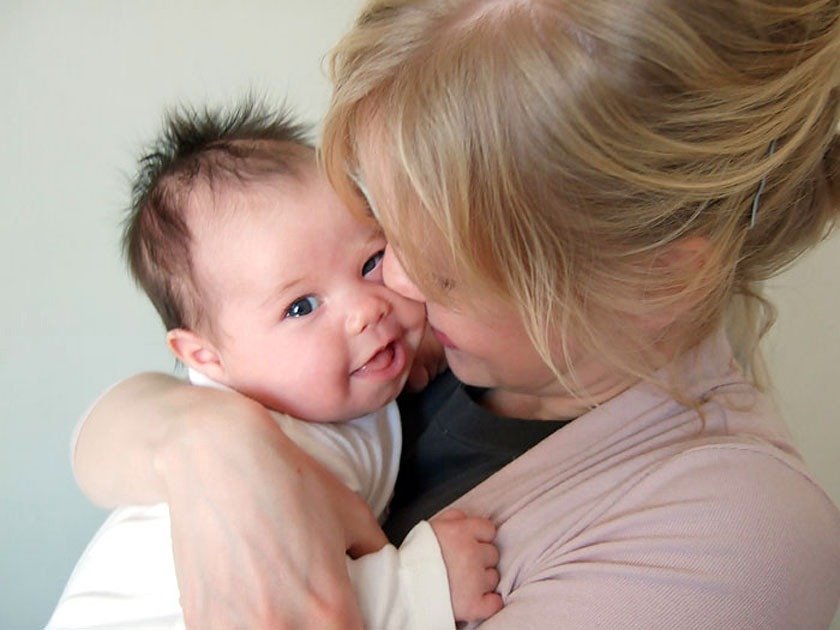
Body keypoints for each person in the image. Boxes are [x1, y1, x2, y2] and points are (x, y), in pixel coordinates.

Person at [72, 0, 840, 628]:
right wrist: (207, 439)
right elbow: (102, 441)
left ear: (654, 275)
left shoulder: (735, 539)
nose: (392, 279)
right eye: (385, 221)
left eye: (445, 262)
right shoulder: (426, 346)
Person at [48, 101, 501, 630]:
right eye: (301, 307)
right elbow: (287, 595)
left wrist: (415, 347)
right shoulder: (277, 449)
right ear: (206, 358)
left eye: (370, 262)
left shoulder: (308, 388)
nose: (366, 310)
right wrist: (420, 586)